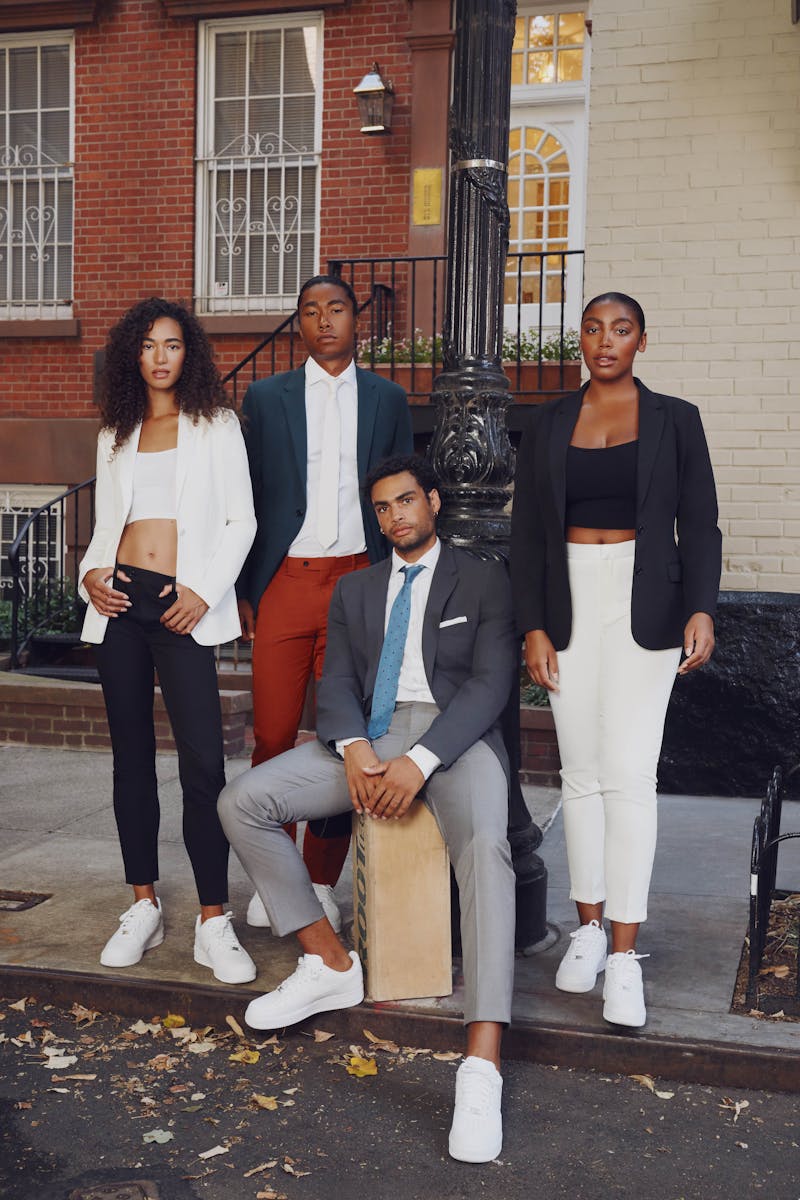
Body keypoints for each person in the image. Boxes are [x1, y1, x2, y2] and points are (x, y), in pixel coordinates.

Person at [219, 455, 517, 1164]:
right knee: (245, 800)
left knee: (487, 848)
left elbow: (490, 684)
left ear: (435, 502)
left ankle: (482, 1061)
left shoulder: (482, 577)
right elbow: (340, 680)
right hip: (369, 735)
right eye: (382, 508)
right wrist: (354, 747)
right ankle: (328, 963)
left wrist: (420, 761)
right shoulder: (355, 590)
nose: (396, 517)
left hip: (454, 737)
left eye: (407, 501)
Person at [510, 292, 721, 1028]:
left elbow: (698, 522)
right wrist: (532, 625)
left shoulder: (676, 420)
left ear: (642, 339)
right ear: (580, 340)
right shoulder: (548, 423)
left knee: (629, 774)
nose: (606, 341)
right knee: (581, 774)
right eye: (594, 329)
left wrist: (702, 607)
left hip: (646, 605)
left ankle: (626, 954)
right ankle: (589, 929)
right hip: (567, 603)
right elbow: (530, 533)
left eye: (621, 329)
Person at [78, 297, 257, 984]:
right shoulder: (115, 431)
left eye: (173, 344)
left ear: (191, 354)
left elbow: (241, 521)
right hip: (120, 603)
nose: (160, 356)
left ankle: (214, 919)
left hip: (185, 609)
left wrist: (203, 592)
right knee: (130, 761)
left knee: (204, 766)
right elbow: (103, 529)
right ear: (134, 353)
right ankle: (143, 905)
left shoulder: (215, 424)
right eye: (149, 345)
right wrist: (90, 574)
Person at [237, 274, 413, 932]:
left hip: (358, 583)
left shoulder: (388, 398)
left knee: (349, 739)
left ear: (354, 319)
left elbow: (400, 492)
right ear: (301, 324)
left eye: (336, 308)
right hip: (285, 580)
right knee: (275, 736)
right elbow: (249, 497)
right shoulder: (267, 395)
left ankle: (318, 879)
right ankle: (276, 871)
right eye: (310, 311)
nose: (324, 320)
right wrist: (246, 588)